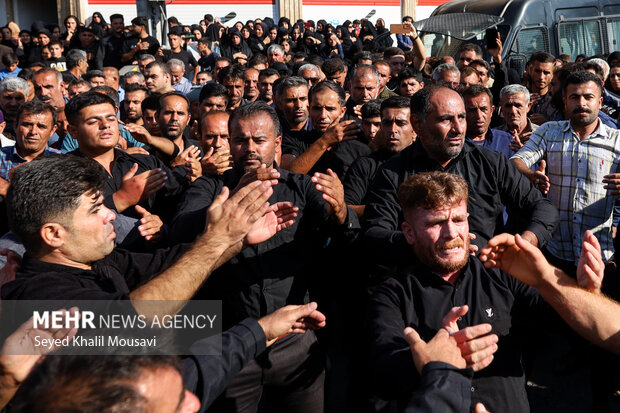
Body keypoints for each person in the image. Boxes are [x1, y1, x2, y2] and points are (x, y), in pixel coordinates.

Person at [170, 101, 358, 413]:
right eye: (241, 140)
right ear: (230, 143)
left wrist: (341, 211)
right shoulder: (211, 187)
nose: (250, 148)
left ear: (277, 143)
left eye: (259, 140)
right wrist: (229, 209)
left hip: (294, 341)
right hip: (229, 344)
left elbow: (344, 236)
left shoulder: (300, 187)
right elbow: (180, 231)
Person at [366, 171, 603, 413]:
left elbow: (565, 323)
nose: (451, 234)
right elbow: (382, 375)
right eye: (435, 223)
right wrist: (430, 361)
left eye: (458, 220)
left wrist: (585, 293)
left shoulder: (502, 272)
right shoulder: (391, 295)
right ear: (408, 232)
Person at [362, 85, 558, 274]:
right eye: (446, 120)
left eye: (462, 118)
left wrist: (523, 243)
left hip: (488, 279)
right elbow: (375, 234)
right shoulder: (393, 173)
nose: (458, 129)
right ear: (418, 124)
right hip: (423, 287)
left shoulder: (491, 163)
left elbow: (544, 209)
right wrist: (429, 244)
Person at [11, 302, 327, 413]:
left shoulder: (149, 397)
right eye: (178, 405)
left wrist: (263, 328)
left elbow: (203, 367)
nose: (194, 401)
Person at [511, 71, 620, 272]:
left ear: (600, 101)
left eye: (588, 97)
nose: (582, 103)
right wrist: (530, 175)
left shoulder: (616, 140)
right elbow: (517, 160)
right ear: (565, 101)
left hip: (599, 257)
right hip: (555, 254)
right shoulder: (549, 131)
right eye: (574, 97)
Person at [280, 81, 369, 178]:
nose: (323, 115)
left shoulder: (359, 138)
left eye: (330, 109)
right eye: (317, 108)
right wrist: (325, 141)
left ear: (342, 111)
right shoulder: (295, 139)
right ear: (309, 110)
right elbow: (288, 173)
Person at [344, 96, 414, 217]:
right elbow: (345, 209)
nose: (393, 130)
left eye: (401, 123)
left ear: (415, 127)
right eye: (387, 123)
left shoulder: (428, 161)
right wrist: (384, 209)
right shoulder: (365, 165)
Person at [0, 101, 61, 196]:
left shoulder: (62, 162)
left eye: (41, 126)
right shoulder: (1, 156)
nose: (33, 132)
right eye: (27, 124)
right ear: (15, 126)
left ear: (52, 131)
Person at [463, 85, 514, 158]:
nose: (479, 116)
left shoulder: (506, 140)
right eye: (472, 110)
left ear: (492, 111)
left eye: (483, 109)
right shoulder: (455, 142)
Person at [496, 84, 539, 152]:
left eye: (518, 105)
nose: (513, 111)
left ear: (529, 106)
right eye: (508, 106)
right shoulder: (494, 136)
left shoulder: (541, 134)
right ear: (501, 108)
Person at [198, 110, 231, 175]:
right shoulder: (187, 171)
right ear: (200, 139)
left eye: (224, 137)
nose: (217, 144)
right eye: (210, 137)